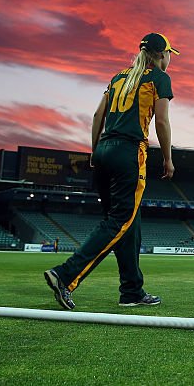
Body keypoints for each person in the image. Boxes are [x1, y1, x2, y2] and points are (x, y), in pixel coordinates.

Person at [44, 32, 179, 310]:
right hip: (129, 151)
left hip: (105, 149)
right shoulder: (159, 78)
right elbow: (162, 122)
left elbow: (97, 116)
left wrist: (95, 151)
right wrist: (168, 158)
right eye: (169, 54)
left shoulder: (119, 77)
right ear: (160, 54)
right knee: (119, 221)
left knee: (129, 223)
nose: (170, 59)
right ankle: (65, 275)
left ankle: (131, 291)